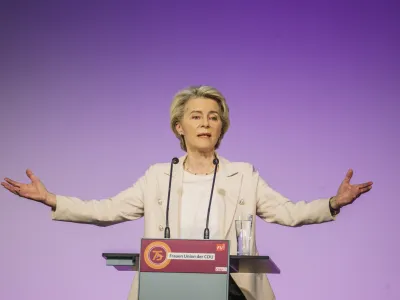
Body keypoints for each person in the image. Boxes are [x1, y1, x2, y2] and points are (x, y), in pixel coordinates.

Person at [1, 85, 373, 300]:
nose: (206, 122)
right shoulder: (158, 176)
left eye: (213, 116)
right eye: (196, 116)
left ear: (221, 127)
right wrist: (53, 200)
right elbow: (108, 210)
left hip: (231, 290)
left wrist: (332, 203)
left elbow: (287, 213)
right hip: (168, 289)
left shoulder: (243, 175)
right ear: (179, 127)